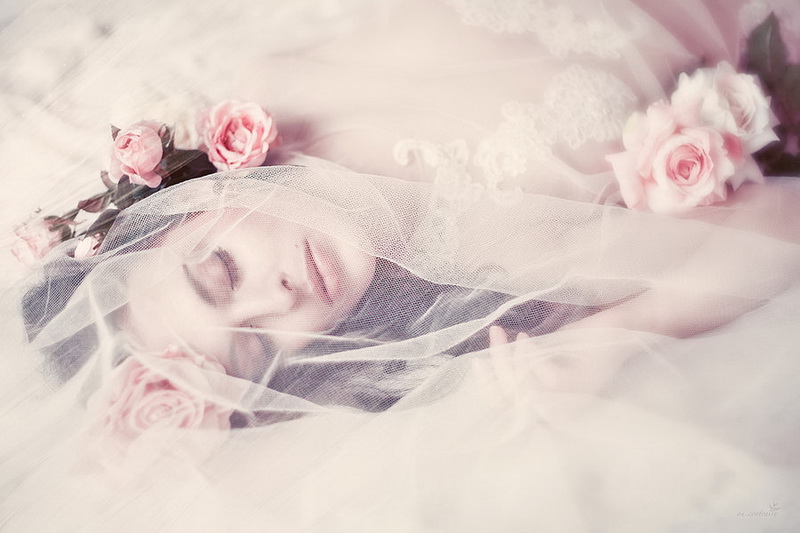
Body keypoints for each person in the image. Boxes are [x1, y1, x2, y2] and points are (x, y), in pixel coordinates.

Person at [2, 0, 800, 531]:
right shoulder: (501, 256)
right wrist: (614, 336)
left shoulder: (276, 87)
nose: (278, 298)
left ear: (192, 199)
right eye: (257, 346)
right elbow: (780, 226)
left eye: (221, 272)